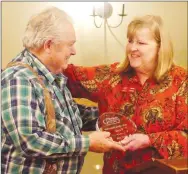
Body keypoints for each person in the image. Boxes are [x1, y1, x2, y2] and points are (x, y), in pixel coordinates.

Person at [1, 7, 125, 174]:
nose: (74, 51)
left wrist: (110, 114)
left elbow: (67, 115)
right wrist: (88, 142)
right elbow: (30, 141)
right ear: (49, 45)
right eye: (70, 44)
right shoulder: (19, 78)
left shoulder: (51, 75)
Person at [64, 15, 188, 173]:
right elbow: (65, 74)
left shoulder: (181, 81)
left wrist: (149, 140)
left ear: (160, 47)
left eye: (141, 43)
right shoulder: (112, 76)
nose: (132, 48)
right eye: (130, 41)